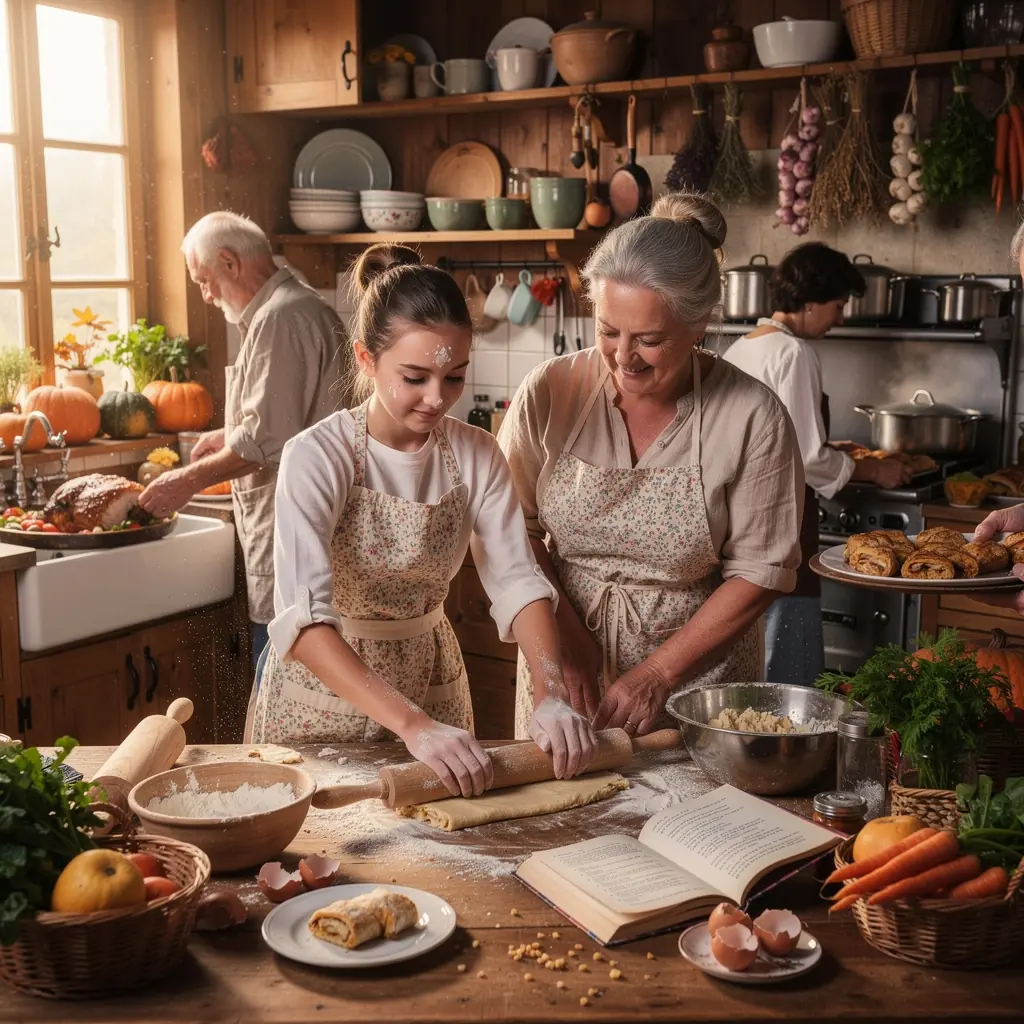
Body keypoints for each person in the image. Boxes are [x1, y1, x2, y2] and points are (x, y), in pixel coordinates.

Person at [247, 244, 597, 796]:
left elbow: (518, 581)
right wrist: (413, 725)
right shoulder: (317, 456)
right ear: (366, 359)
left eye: (454, 377)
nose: (437, 399)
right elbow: (305, 622)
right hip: (325, 691)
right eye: (414, 377)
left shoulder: (477, 454)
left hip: (431, 678)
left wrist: (550, 693)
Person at [497, 192, 805, 739]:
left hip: (697, 688)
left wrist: (659, 673)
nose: (622, 357)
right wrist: (567, 641)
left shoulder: (753, 416)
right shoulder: (549, 391)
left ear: (699, 324)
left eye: (649, 340)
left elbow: (761, 571)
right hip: (565, 676)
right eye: (607, 330)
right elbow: (510, 530)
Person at [138, 211, 348, 669]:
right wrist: (227, 433)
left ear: (230, 263)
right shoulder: (287, 309)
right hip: (292, 530)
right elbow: (285, 418)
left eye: (204, 280)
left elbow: (262, 443)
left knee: (280, 678)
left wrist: (184, 481)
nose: (206, 295)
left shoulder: (281, 318)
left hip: (292, 531)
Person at [722, 242, 911, 685]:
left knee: (749, 660)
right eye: (838, 305)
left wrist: (833, 447)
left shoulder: (741, 348)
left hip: (736, 527)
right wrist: (875, 469)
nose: (840, 318)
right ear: (810, 302)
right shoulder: (794, 354)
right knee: (787, 673)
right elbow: (805, 457)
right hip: (781, 526)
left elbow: (777, 438)